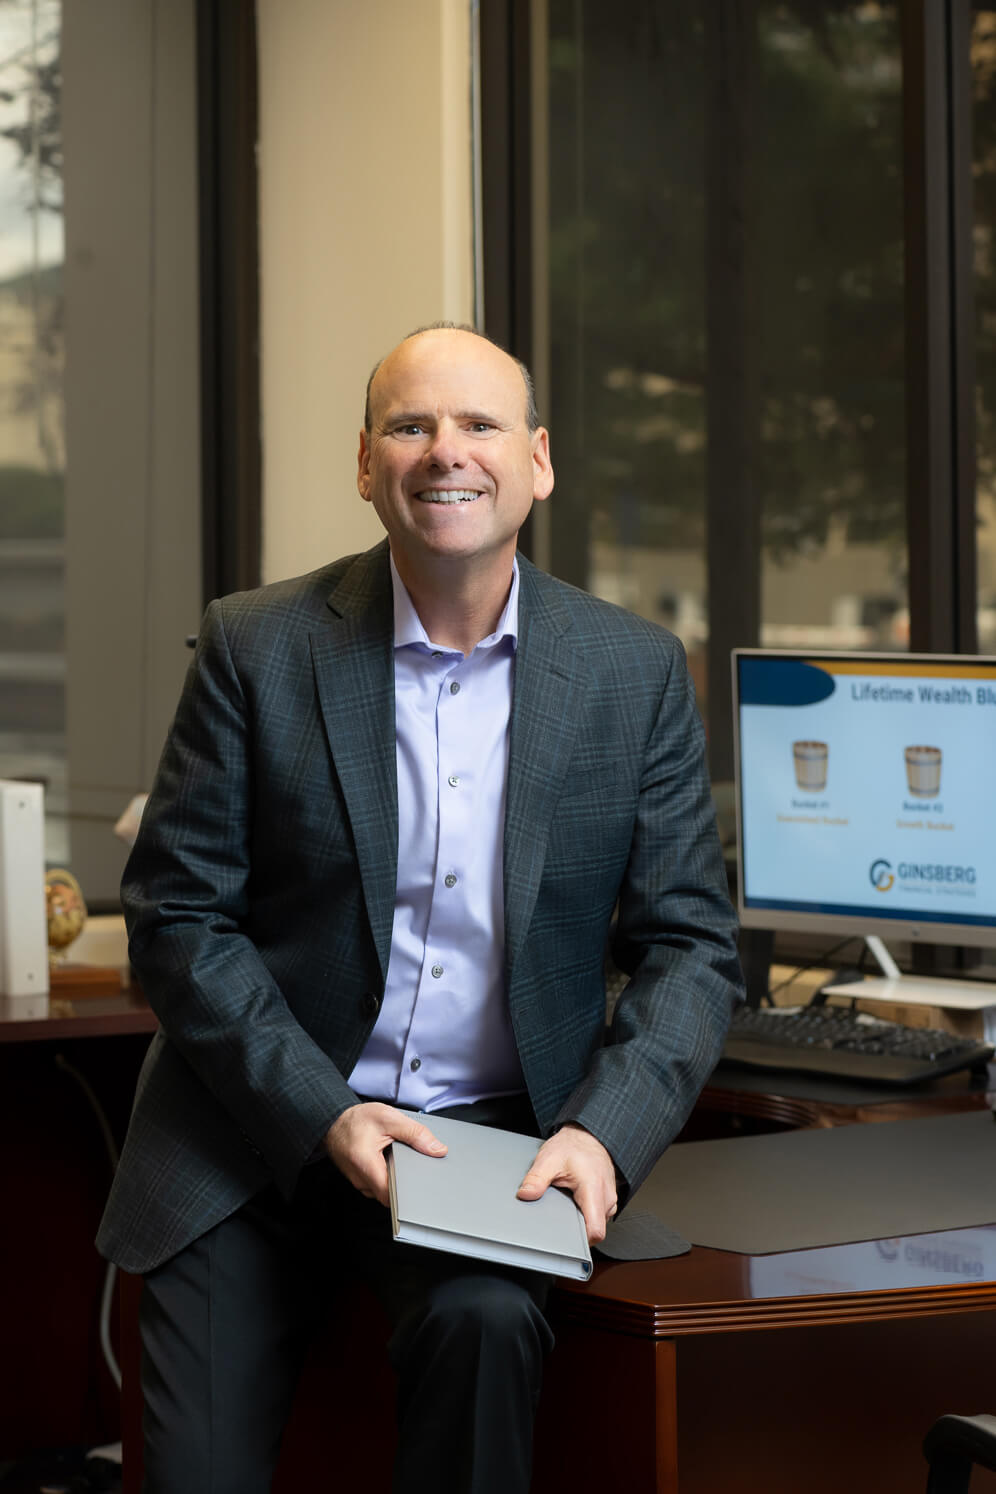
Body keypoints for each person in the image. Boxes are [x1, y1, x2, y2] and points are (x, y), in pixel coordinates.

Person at [98, 322, 743, 1494]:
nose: (447, 452)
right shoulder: (259, 644)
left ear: (537, 461)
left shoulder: (630, 671)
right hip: (251, 1136)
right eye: (412, 425)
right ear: (365, 463)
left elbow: (692, 945)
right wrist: (327, 1114)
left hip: (483, 1149)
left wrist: (605, 1133)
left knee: (490, 1327)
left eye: (480, 425)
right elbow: (180, 917)